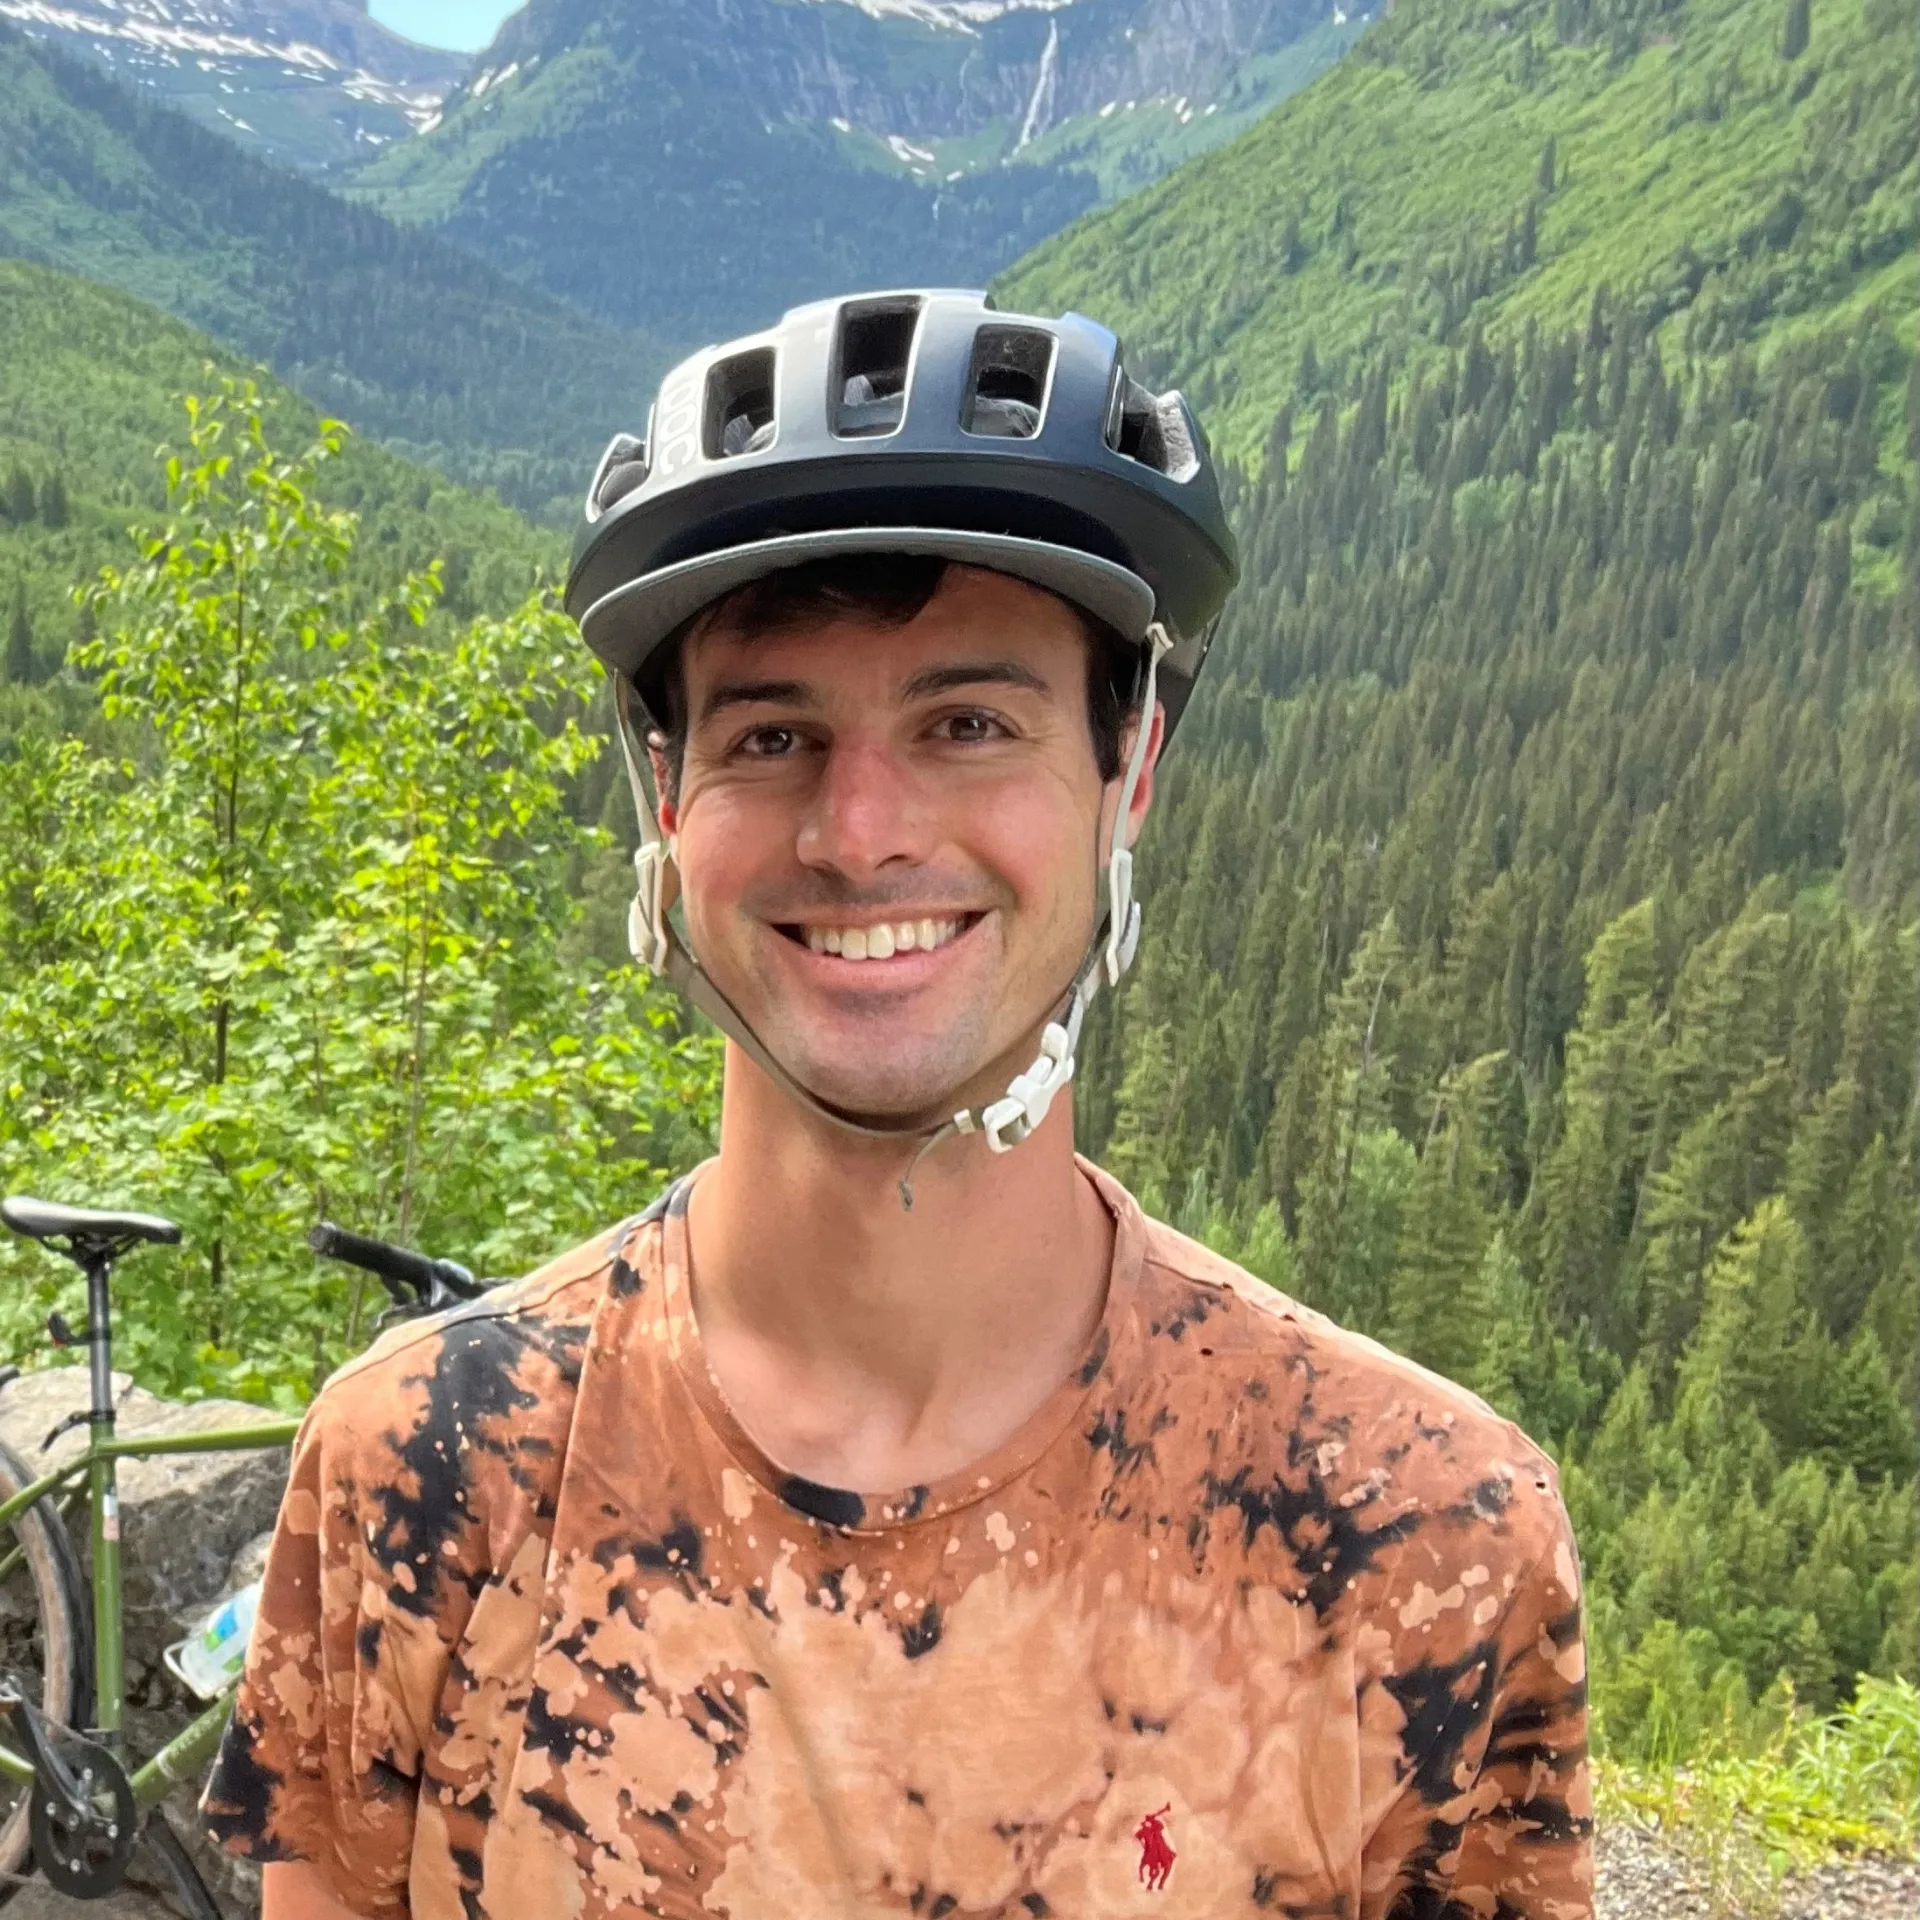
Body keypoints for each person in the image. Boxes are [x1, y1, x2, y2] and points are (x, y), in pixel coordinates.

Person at [204, 290, 1592, 1919]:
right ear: (668, 801)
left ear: (1127, 769)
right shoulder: (424, 1470)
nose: (859, 832)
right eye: (772, 733)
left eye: (969, 724)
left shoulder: (1420, 1537)